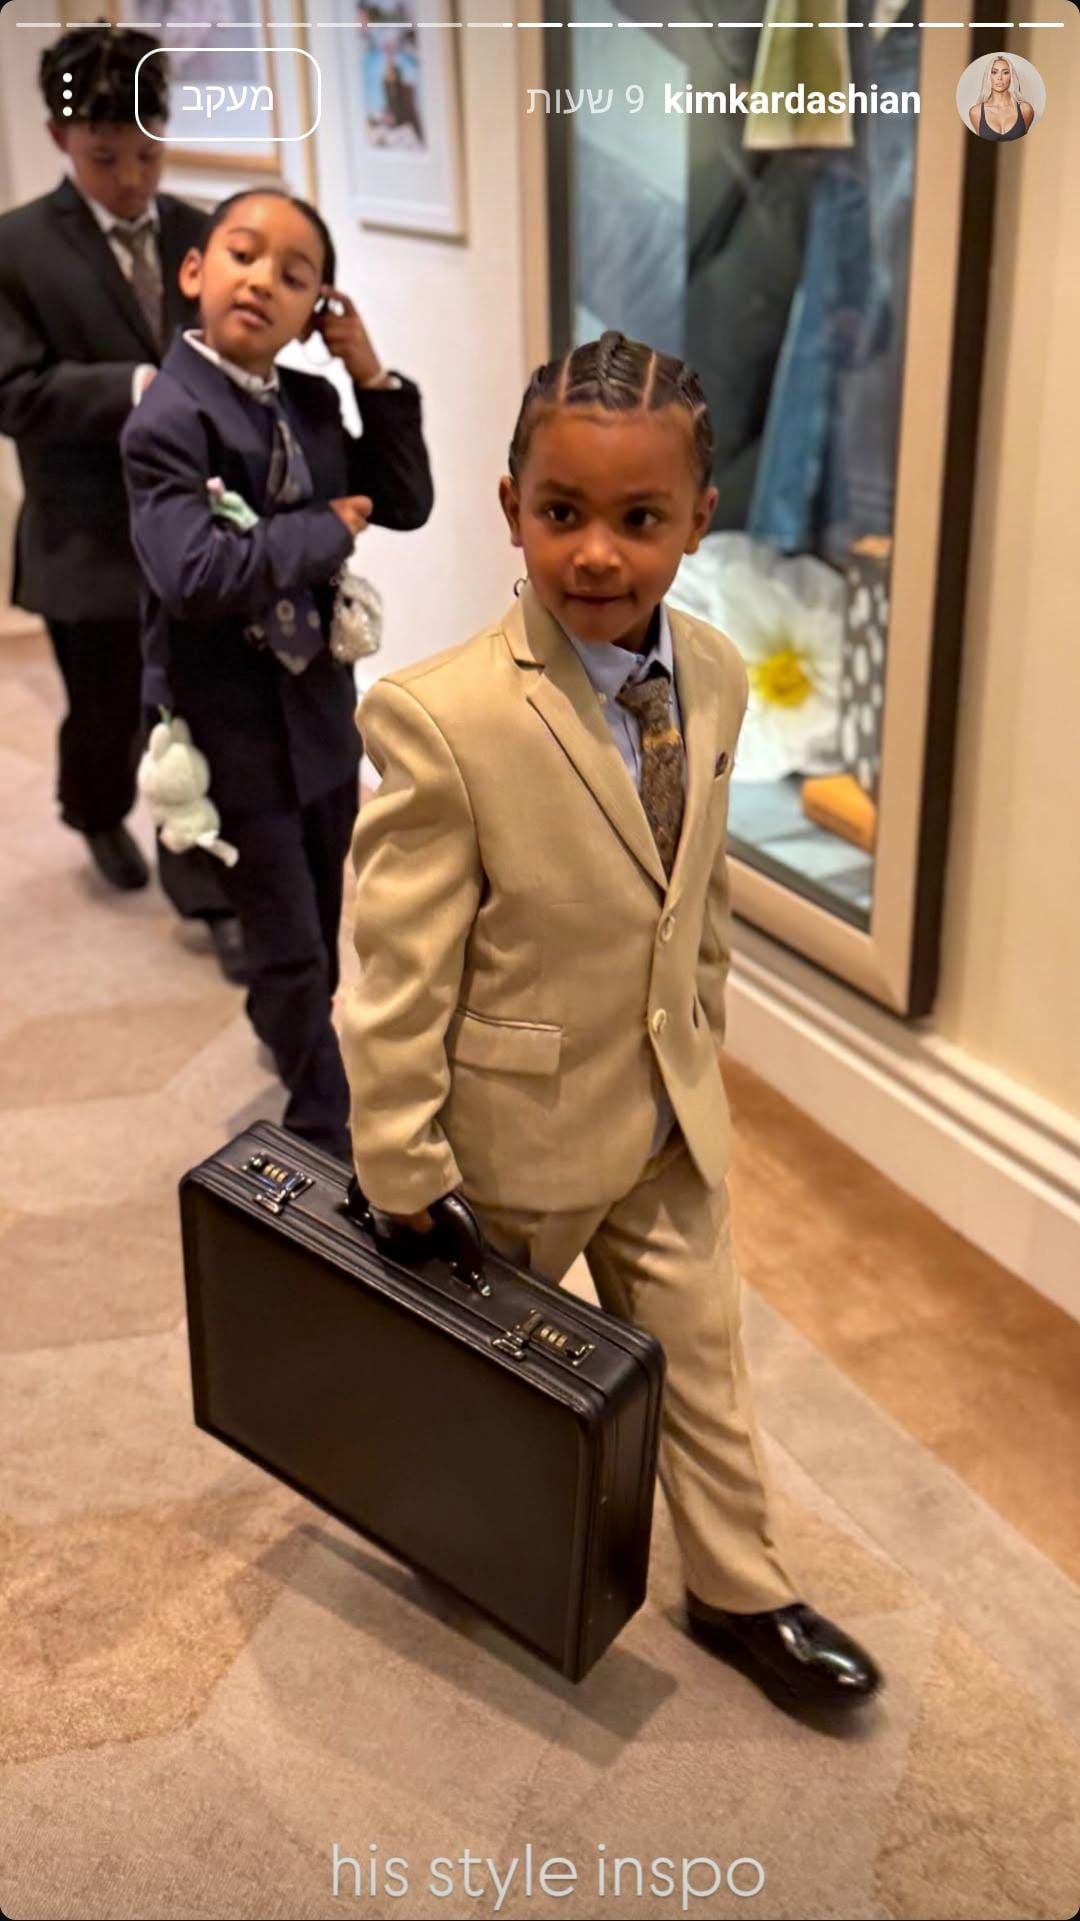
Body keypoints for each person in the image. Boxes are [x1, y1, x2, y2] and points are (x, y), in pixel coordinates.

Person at [342, 331, 883, 1719]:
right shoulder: (441, 717)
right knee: (487, 1383)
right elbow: (395, 979)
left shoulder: (712, 673)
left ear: (699, 520)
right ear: (509, 504)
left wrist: (699, 1035)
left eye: (640, 518)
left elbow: (694, 892)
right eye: (561, 512)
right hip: (510, 1142)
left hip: (663, 1116)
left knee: (704, 1358)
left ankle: (741, 1587)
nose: (596, 552)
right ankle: (459, 1537)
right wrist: (402, 1170)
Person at [121, 188, 433, 1161]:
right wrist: (321, 529)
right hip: (227, 720)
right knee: (286, 928)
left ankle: (288, 1019)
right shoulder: (166, 419)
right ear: (194, 271)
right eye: (243, 255)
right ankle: (320, 1116)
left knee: (323, 902)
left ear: (313, 312)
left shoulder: (313, 400)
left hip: (318, 707)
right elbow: (194, 573)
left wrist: (368, 371)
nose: (262, 280)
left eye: (294, 276)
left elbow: (405, 499)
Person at [0, 24, 243, 976]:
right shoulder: (15, 247)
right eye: (107, 158)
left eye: (149, 153)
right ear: (60, 137)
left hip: (193, 528)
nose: (133, 178)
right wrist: (138, 386)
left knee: (190, 716)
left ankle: (209, 891)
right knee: (104, 711)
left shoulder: (199, 232)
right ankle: (94, 810)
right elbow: (13, 393)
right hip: (83, 534)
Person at [968, 53, 1034, 141]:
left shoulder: (1025, 109)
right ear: (988, 76)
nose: (999, 77)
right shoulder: (976, 112)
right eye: (994, 72)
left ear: (1011, 77)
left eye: (1005, 72)